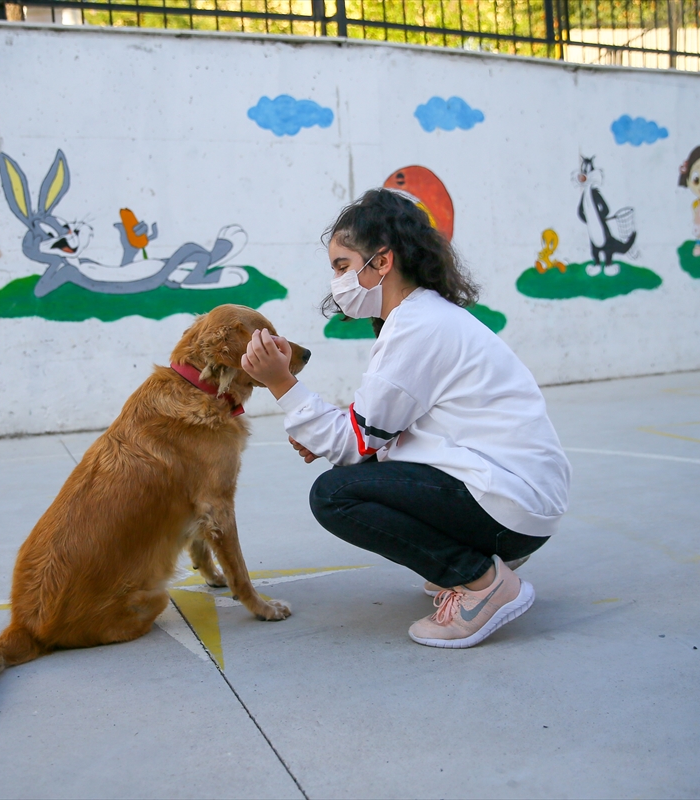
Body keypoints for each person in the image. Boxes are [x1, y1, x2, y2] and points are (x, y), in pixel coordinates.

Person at [241, 188, 570, 649]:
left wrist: (281, 383)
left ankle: (481, 581)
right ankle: (477, 560)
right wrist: (324, 431)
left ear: (382, 262)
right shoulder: (425, 317)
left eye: (341, 266)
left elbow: (355, 445)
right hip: (519, 499)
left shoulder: (417, 327)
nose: (336, 281)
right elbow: (379, 433)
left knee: (335, 496)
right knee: (359, 471)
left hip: (511, 508)